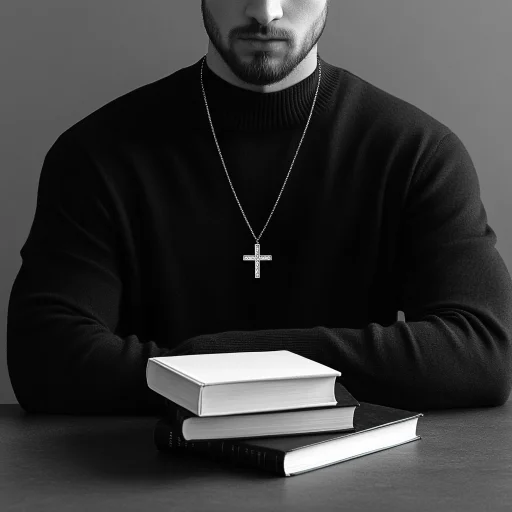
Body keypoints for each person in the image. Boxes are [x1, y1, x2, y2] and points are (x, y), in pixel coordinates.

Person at [7, 0, 512, 415]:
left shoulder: (416, 152)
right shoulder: (96, 155)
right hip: (144, 480)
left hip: (358, 483)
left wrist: (204, 369)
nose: (266, 11)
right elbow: (46, 359)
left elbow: (482, 353)